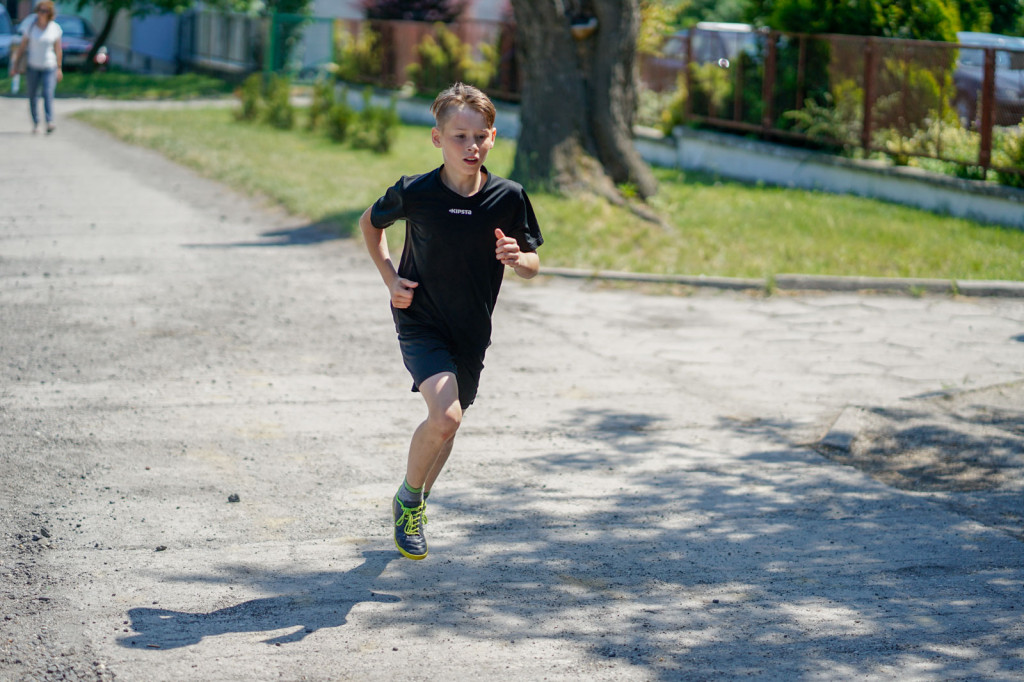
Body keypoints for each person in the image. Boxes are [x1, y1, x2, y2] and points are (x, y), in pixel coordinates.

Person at [358, 82, 543, 560]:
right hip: (420, 319)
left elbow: (534, 263)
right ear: (438, 139)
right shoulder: (416, 193)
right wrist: (390, 278)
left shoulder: (509, 196)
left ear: (494, 137)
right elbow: (370, 224)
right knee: (446, 415)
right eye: (459, 136)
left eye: (480, 136)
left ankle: (416, 499)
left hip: (472, 329)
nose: (471, 146)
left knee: (448, 427)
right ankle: (408, 501)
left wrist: (517, 258)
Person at [9, 0, 63, 134]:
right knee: (33, 95)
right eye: (40, 11)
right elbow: (22, 48)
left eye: (44, 11)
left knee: (48, 93)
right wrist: (15, 65)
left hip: (49, 66)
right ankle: (36, 123)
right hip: (32, 66)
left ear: (49, 13)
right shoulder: (31, 27)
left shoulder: (54, 28)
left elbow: (58, 50)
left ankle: (49, 121)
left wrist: (59, 68)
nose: (41, 14)